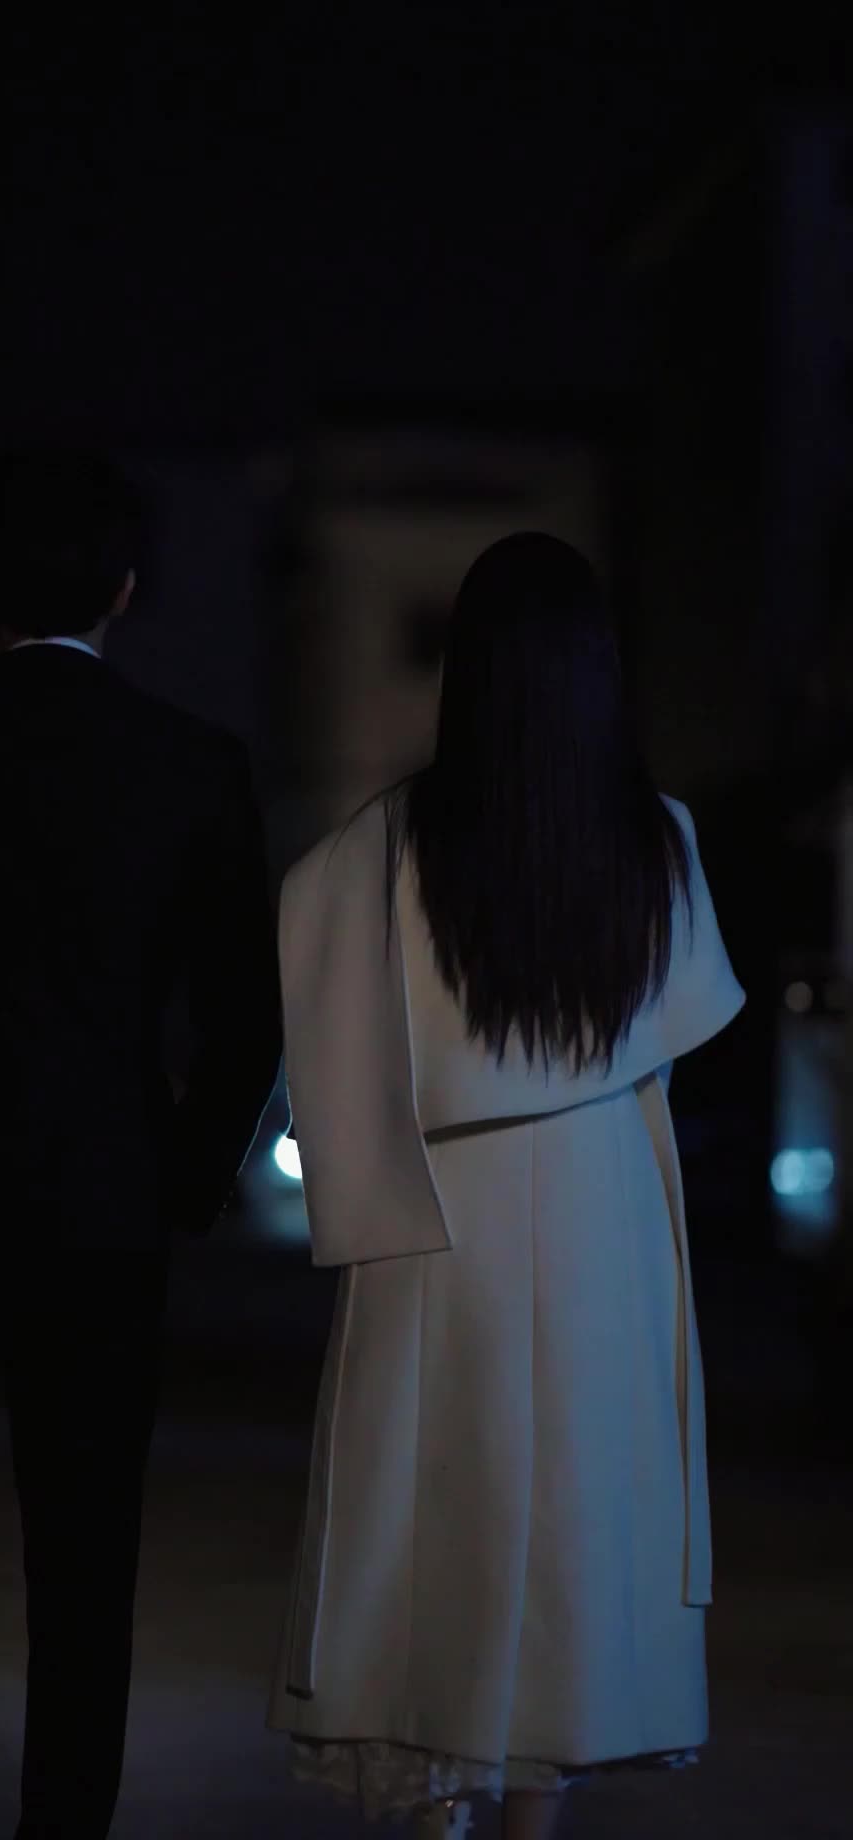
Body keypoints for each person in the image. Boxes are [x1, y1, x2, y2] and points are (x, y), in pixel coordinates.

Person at [0, 448, 281, 1839]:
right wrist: (183, 1182)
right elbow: (247, 1018)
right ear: (125, 588)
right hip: (101, 1207)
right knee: (87, 1552)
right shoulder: (191, 763)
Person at [268, 533, 746, 1838]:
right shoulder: (656, 844)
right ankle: (536, 1804)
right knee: (578, 1515)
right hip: (599, 1202)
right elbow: (680, 1025)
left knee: (436, 1506)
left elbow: (314, 963)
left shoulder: (388, 845)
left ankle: (441, 1806)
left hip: (441, 1202)